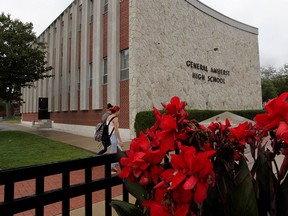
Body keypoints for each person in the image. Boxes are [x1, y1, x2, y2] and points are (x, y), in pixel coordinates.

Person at [106, 105, 124, 174]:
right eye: (119, 110)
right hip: (113, 137)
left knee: (120, 152)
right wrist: (120, 140)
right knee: (113, 152)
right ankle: (110, 168)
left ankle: (113, 166)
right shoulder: (115, 118)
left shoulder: (109, 117)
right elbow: (116, 130)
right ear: (117, 111)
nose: (119, 112)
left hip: (109, 136)